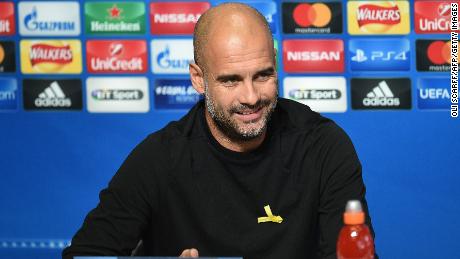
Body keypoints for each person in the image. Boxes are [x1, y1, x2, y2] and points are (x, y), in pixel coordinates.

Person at [63, 3, 376, 259]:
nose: (251, 97)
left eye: (263, 75)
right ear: (199, 79)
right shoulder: (160, 158)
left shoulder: (323, 147)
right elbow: (86, 254)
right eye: (231, 80)